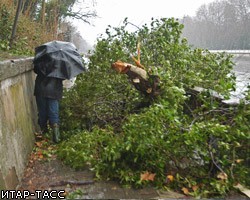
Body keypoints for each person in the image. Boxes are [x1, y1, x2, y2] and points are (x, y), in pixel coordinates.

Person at [34, 71, 64, 143]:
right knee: (54, 114)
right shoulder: (61, 63)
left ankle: (44, 134)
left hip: (40, 89)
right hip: (54, 91)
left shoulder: (42, 60)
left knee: (42, 112)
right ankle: (56, 138)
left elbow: (36, 69)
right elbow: (64, 76)